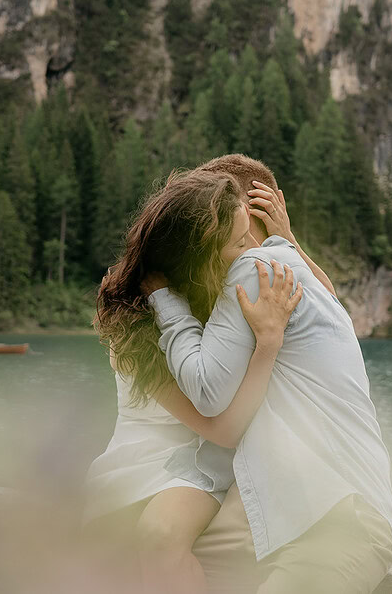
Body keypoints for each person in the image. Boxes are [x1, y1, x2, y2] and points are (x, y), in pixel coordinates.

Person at [143, 176, 392, 593]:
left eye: (246, 232)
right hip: (303, 511)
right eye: (237, 238)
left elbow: (208, 394)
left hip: (337, 522)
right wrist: (288, 237)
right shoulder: (296, 268)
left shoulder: (253, 270)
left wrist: (165, 300)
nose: (248, 246)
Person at [86, 169, 303, 594]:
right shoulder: (139, 329)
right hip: (157, 467)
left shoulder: (212, 303)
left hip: (202, 463)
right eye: (241, 242)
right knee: (160, 537)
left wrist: (289, 243)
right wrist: (267, 345)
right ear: (198, 255)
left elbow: (334, 315)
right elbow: (221, 431)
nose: (254, 251)